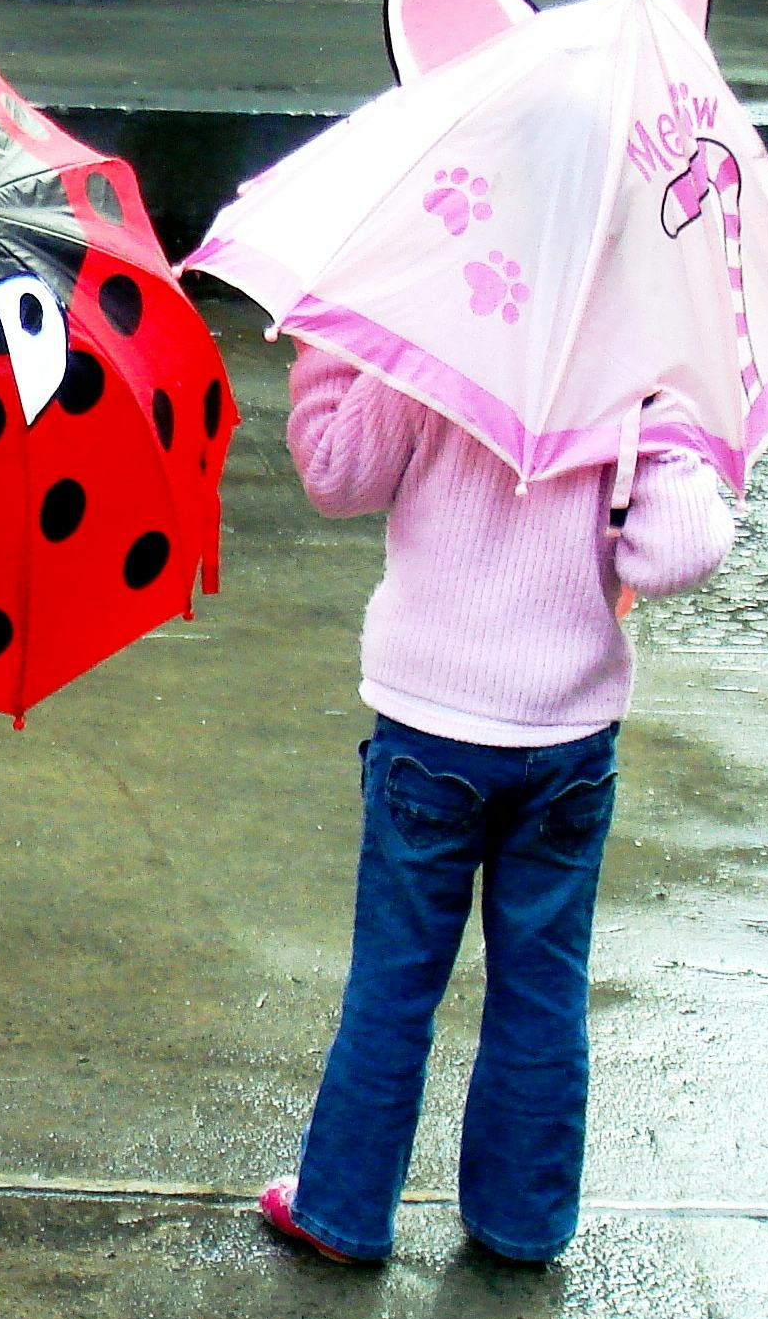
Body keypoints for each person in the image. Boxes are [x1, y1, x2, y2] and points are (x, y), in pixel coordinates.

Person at [263, 346, 733, 1265]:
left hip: (429, 727)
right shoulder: (631, 356)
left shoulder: (433, 328)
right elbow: (671, 553)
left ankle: (342, 1214)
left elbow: (334, 472)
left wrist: (337, 347)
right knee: (543, 985)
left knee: (393, 983)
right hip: (567, 734)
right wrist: (659, 426)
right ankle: (522, 1222)